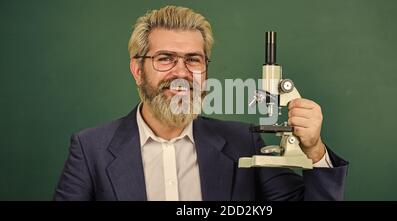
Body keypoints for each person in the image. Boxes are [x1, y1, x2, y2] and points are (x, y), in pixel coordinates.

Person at [54, 5, 348, 201]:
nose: (181, 73)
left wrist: (314, 150)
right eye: (165, 58)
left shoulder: (244, 143)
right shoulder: (90, 149)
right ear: (137, 70)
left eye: (193, 60)